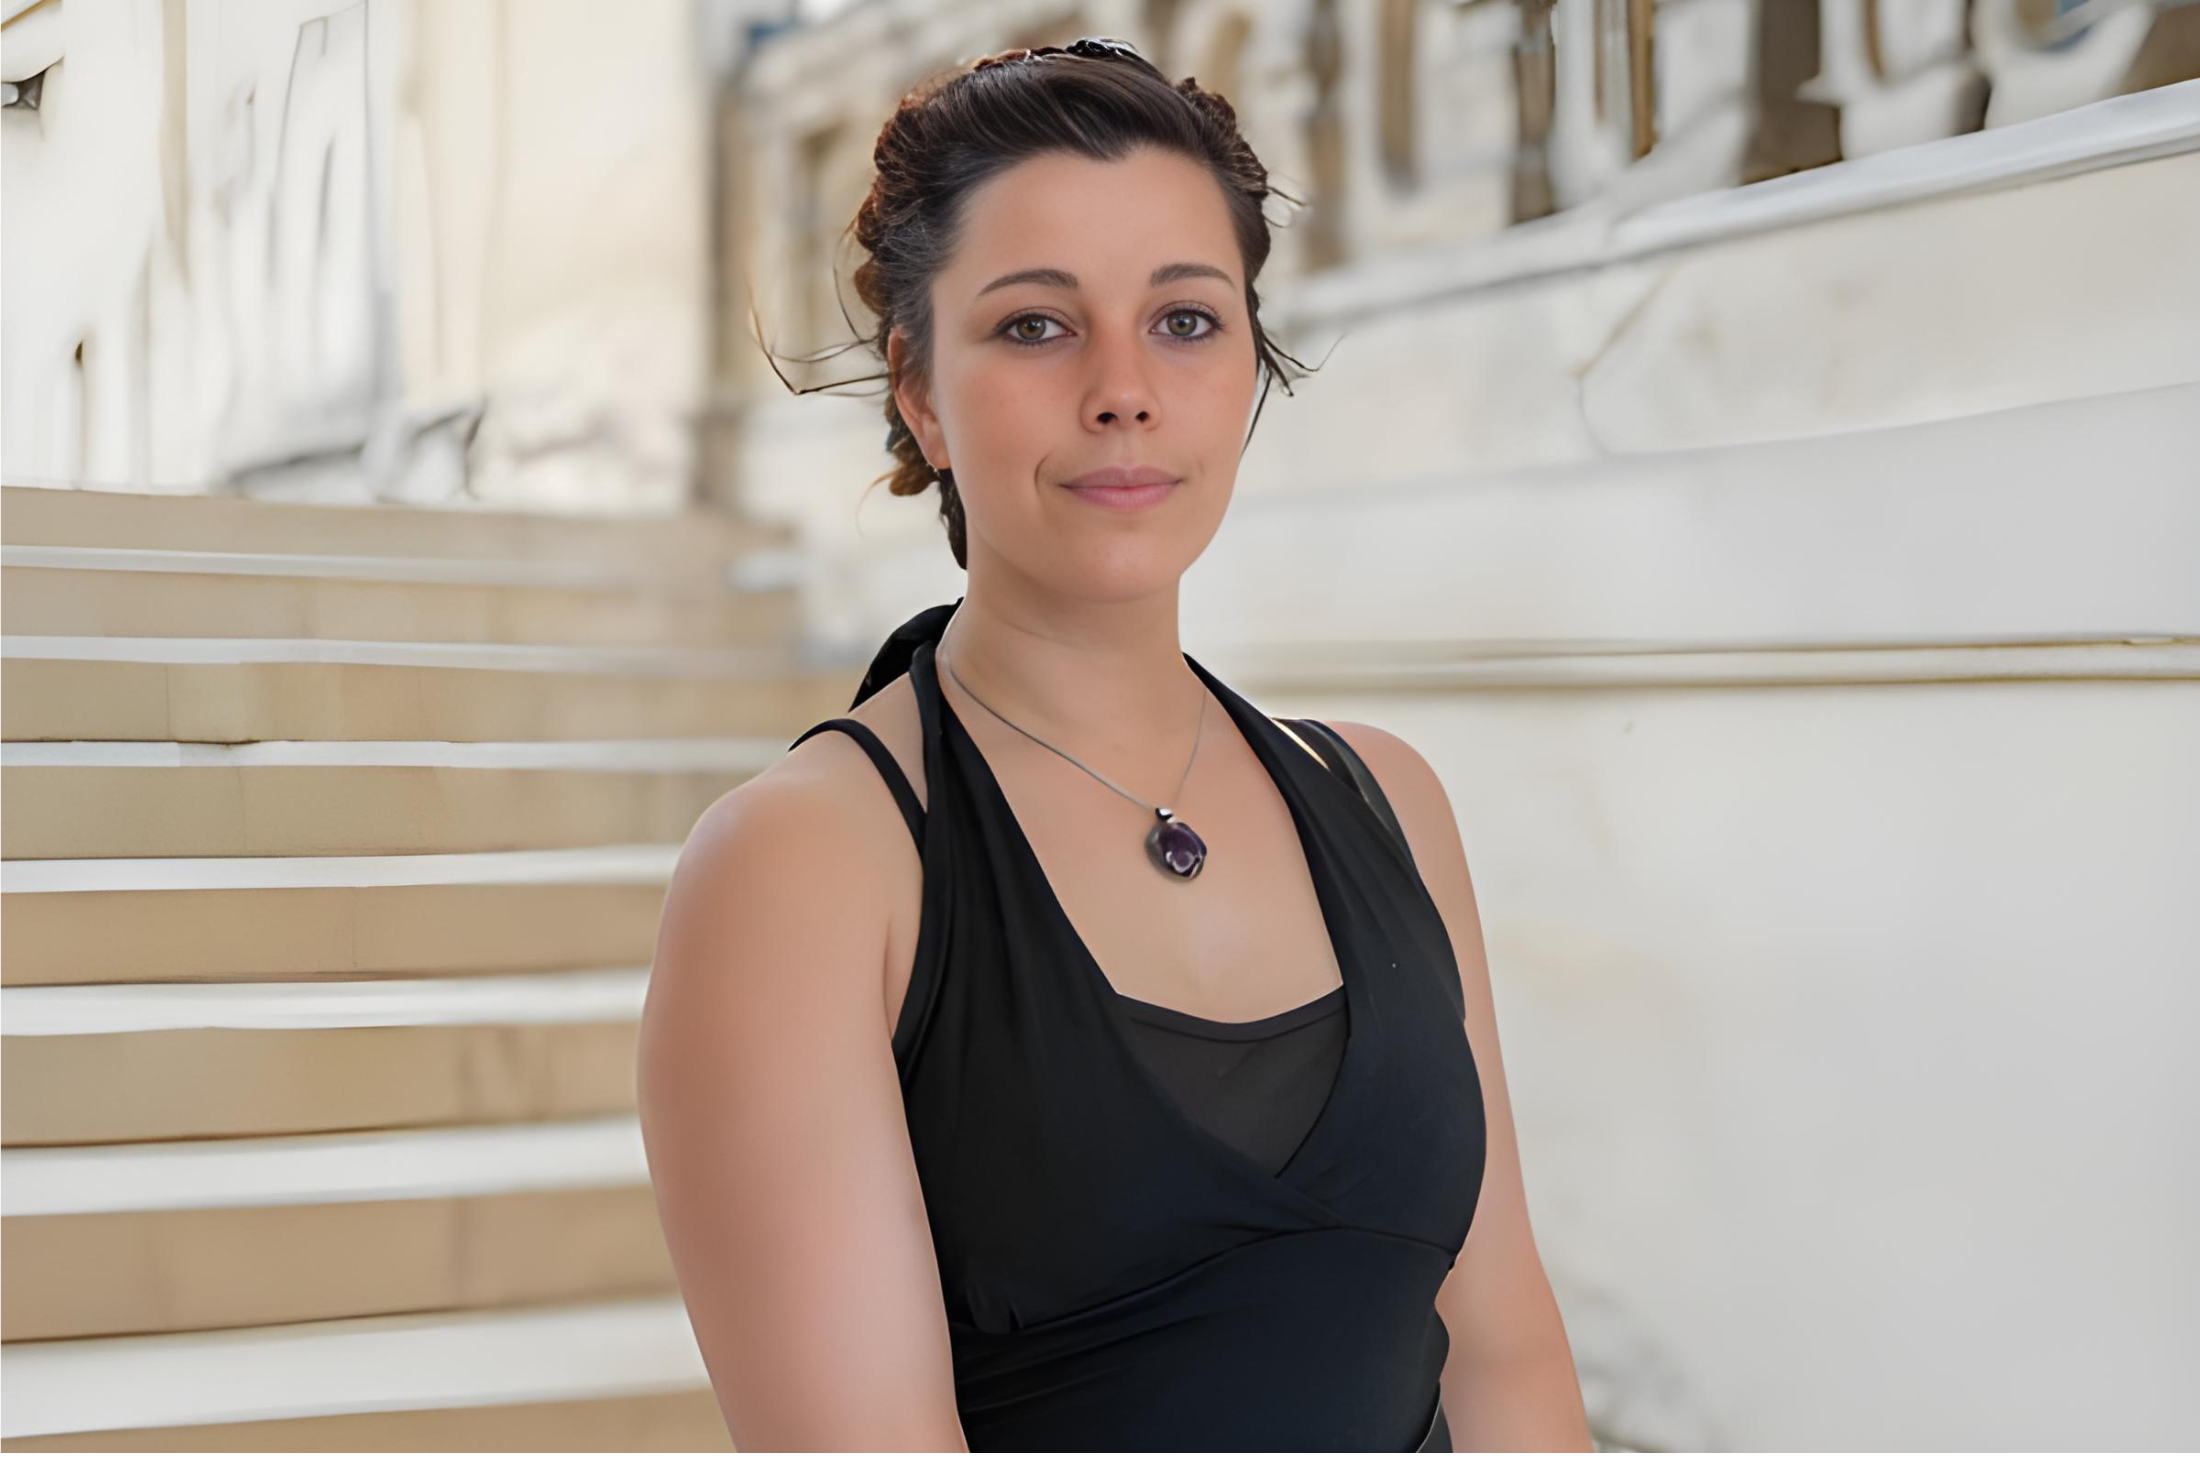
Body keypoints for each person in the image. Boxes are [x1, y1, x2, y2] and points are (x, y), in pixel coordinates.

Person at [638, 37, 1593, 1452]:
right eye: (1036, 325)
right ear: (919, 388)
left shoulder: (1386, 799)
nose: (1123, 388)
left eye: (1186, 320)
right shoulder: (806, 865)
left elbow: (1508, 1360)